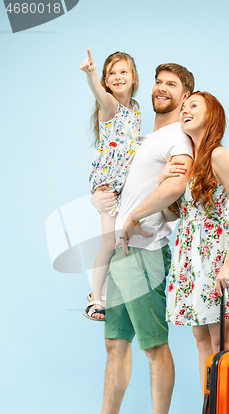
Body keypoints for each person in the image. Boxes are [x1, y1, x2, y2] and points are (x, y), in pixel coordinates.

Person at [59, 63, 195, 414]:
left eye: (172, 84)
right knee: (115, 344)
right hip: (121, 251)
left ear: (186, 96)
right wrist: (100, 199)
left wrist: (136, 219)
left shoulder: (179, 139)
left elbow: (177, 191)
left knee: (154, 346)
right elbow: (120, 179)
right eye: (158, 81)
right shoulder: (144, 135)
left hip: (145, 253)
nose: (161, 88)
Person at [119, 91, 229, 414]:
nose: (185, 110)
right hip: (191, 256)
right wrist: (165, 183)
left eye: (193, 105)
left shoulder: (218, 154)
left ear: (212, 114)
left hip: (217, 254)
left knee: (224, 340)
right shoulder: (191, 160)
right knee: (202, 341)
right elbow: (172, 216)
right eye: (184, 107)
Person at [80, 49, 141, 321]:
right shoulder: (110, 106)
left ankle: (108, 292)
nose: (117, 77)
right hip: (108, 185)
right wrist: (92, 74)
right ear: (106, 81)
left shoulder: (135, 109)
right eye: (111, 74)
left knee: (120, 241)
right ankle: (95, 297)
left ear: (134, 77)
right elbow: (99, 94)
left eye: (123, 72)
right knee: (108, 242)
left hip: (126, 185)